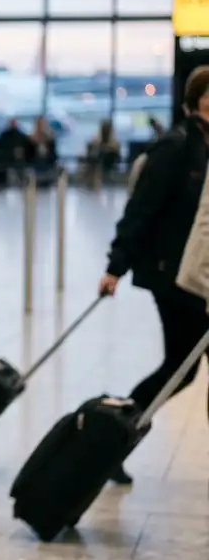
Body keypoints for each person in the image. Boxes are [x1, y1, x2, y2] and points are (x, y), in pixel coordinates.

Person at [99, 65, 209, 485]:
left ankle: (114, 441)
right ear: (196, 101)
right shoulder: (176, 146)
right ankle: (112, 439)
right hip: (174, 277)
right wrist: (115, 266)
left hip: (200, 275)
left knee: (182, 367)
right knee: (180, 367)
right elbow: (141, 209)